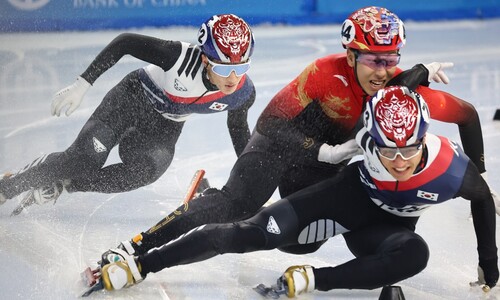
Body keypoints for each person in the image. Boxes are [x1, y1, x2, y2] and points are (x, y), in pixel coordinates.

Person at [97, 6, 498, 262]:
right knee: (235, 206)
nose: (383, 70)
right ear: (352, 55)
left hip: (319, 169)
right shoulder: (324, 74)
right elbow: (268, 125)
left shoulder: (402, 91)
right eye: (374, 59)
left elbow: (466, 114)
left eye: (392, 60)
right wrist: (323, 151)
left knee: (299, 244)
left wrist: (479, 177)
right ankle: (138, 246)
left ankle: (228, 200)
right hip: (280, 147)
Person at [98, 86, 498, 296]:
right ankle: (145, 263)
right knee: (252, 234)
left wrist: (488, 261)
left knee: (415, 254)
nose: (398, 160)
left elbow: (482, 198)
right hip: (344, 196)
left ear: (424, 139)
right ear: (369, 138)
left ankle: (313, 279)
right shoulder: (363, 135)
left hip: (381, 231)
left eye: (409, 149)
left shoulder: (452, 170)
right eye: (387, 149)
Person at [0, 14, 256, 213]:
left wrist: (248, 186)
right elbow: (126, 43)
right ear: (204, 59)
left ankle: (64, 184)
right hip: (131, 100)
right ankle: (8, 186)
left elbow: (238, 129)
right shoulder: (179, 58)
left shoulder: (242, 93)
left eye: (241, 67)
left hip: (162, 127)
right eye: (223, 70)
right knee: (84, 160)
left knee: (147, 171)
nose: (233, 78)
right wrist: (82, 84)